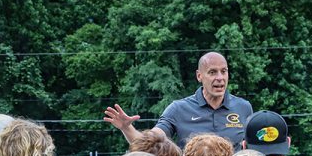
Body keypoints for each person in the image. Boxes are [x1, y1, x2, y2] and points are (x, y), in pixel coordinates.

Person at [104, 52, 253, 149]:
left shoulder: (244, 108)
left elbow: (256, 151)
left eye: (224, 71)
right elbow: (149, 143)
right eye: (212, 72)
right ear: (199, 76)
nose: (219, 78)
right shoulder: (178, 109)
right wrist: (126, 128)